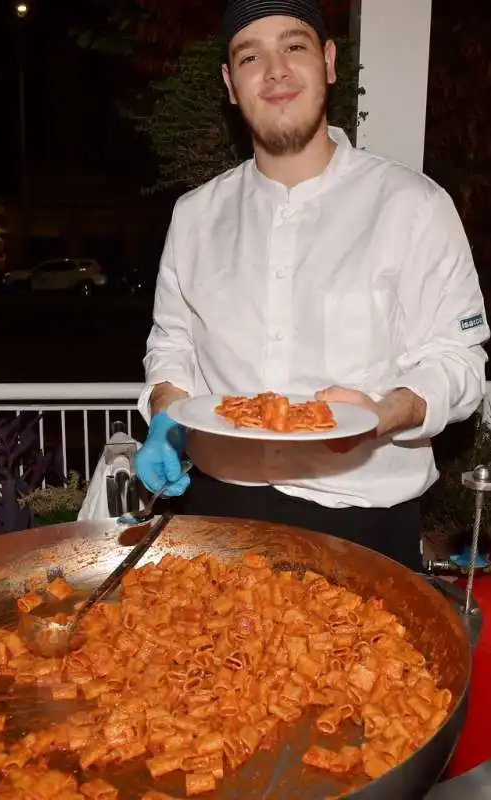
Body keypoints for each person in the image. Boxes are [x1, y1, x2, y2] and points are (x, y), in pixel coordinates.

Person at [135, 0, 489, 570]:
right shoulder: (195, 216)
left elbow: (459, 362)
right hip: (219, 514)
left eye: (293, 46)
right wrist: (167, 413)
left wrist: (386, 411)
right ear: (231, 83)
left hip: (366, 521)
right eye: (251, 56)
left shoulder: (414, 206)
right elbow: (172, 343)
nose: (274, 70)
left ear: (327, 62)